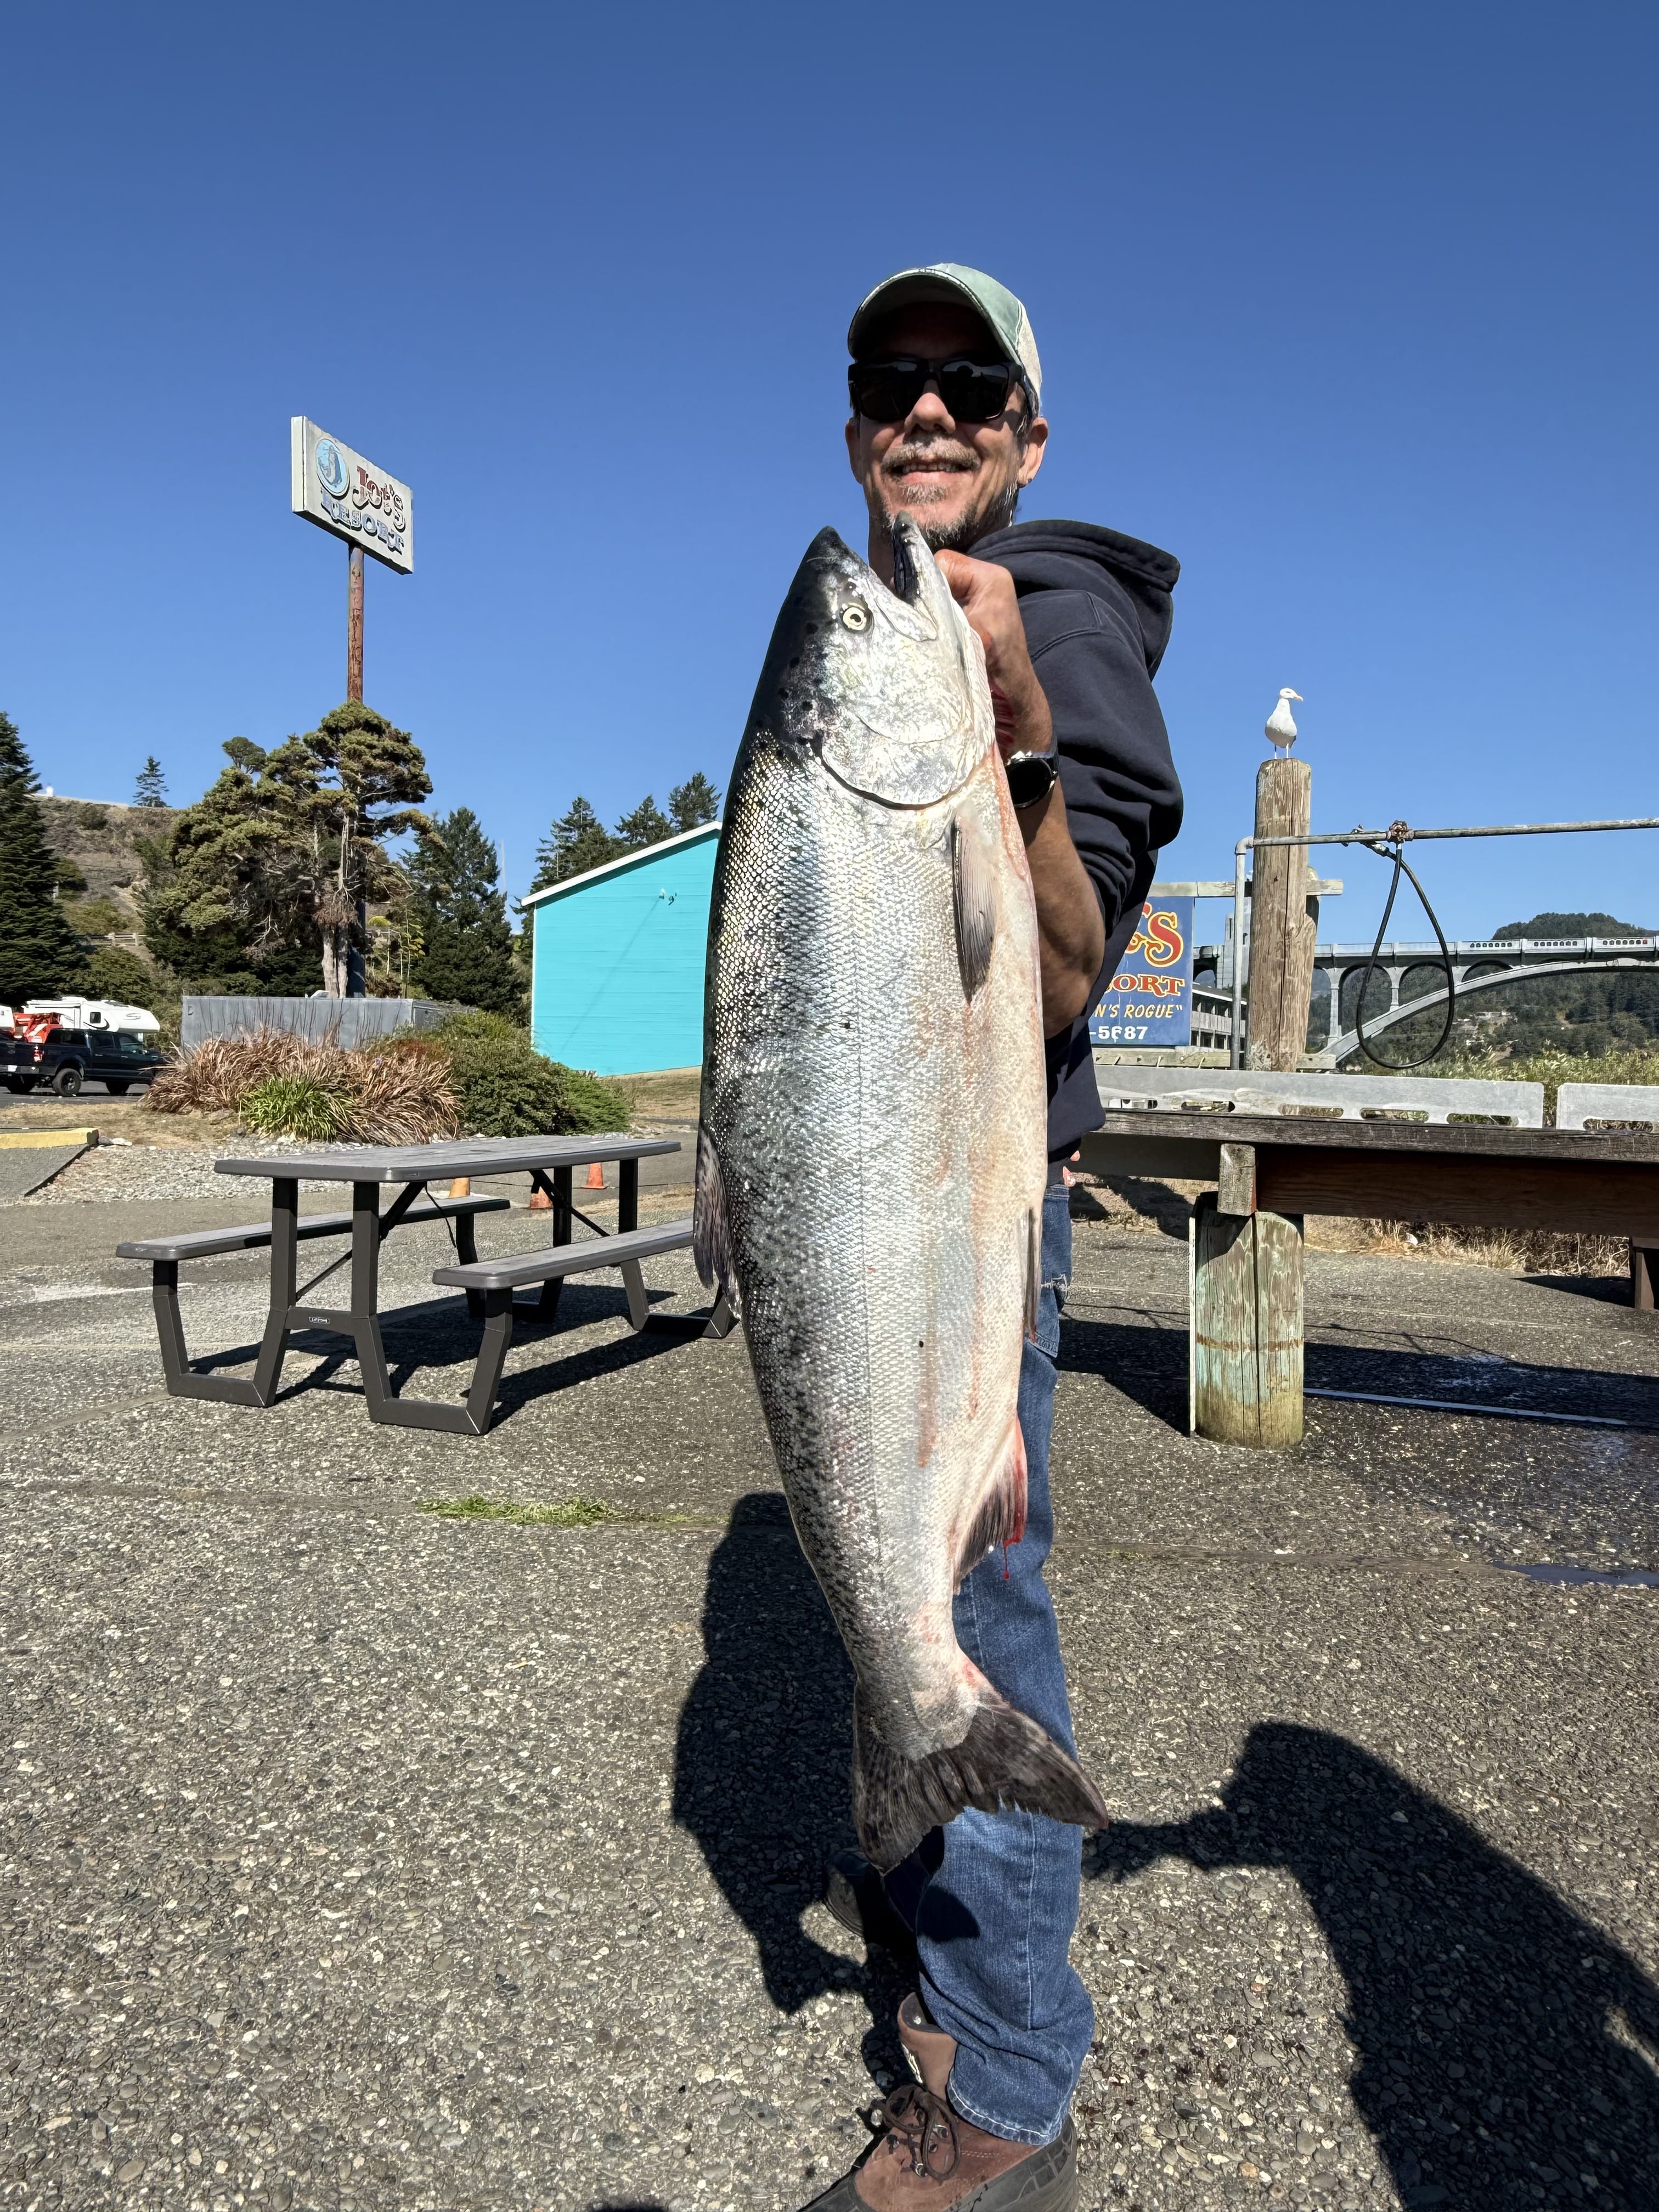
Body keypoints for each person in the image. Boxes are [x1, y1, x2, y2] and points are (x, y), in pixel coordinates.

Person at [805, 265, 1184, 2212]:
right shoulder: (880, 628)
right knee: (886, 1592)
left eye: (973, 386)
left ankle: (1012, 2083)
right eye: (895, 378)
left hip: (960, 1225)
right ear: (859, 415)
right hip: (845, 1209)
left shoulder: (1068, 609)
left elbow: (1066, 972)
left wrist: (1022, 731)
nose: (929, 411)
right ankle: (938, 1904)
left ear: (1028, 435)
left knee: (976, 1619)